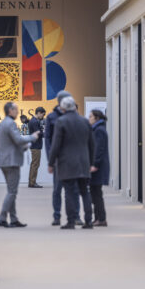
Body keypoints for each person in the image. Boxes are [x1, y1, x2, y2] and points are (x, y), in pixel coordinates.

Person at [48, 96, 94, 229]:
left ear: (62, 108)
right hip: (84, 162)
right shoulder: (85, 121)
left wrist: (51, 163)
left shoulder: (61, 121)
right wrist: (91, 162)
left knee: (69, 192)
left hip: (67, 163)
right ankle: (89, 221)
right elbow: (92, 144)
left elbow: (56, 145)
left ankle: (71, 221)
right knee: (84, 192)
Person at [0, 102, 39, 228]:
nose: (18, 112)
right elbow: (19, 140)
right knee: (12, 192)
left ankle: (13, 219)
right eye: (16, 110)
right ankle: (2, 218)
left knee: (11, 191)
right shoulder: (11, 124)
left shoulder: (0, 125)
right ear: (10, 110)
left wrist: (20, 146)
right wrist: (32, 137)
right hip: (12, 162)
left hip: (3, 161)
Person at [45, 91, 82, 226]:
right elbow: (48, 139)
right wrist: (50, 157)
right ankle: (57, 216)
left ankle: (76, 216)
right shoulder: (51, 117)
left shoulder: (74, 116)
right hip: (58, 159)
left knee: (73, 189)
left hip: (73, 158)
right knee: (57, 189)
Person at [88, 110, 110, 227]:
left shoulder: (99, 131)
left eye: (90, 116)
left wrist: (94, 164)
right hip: (97, 166)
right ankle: (98, 218)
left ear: (96, 118)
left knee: (96, 194)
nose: (89, 118)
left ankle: (101, 219)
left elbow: (98, 150)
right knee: (95, 193)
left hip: (98, 168)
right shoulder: (98, 129)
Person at [28, 107, 46, 188]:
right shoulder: (35, 122)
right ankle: (32, 182)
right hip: (35, 146)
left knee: (34, 164)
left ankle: (32, 182)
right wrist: (45, 133)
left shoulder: (33, 121)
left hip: (34, 145)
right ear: (39, 112)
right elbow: (38, 133)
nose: (43, 116)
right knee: (35, 165)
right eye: (43, 114)